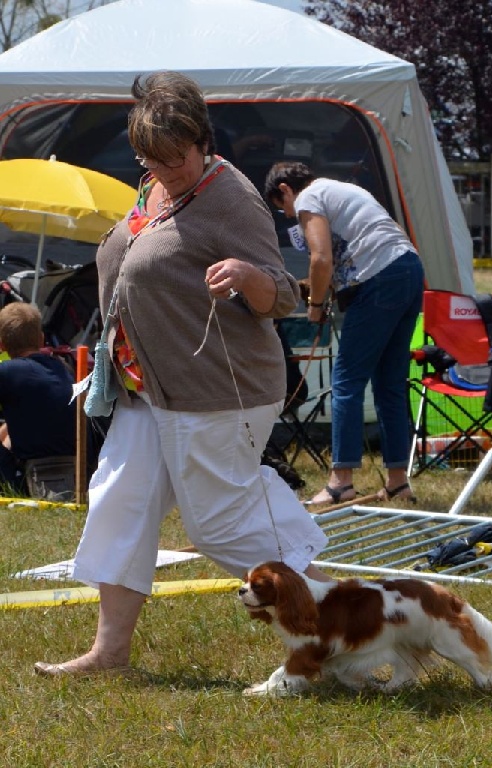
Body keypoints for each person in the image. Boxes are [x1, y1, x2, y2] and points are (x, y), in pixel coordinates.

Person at [34, 71, 330, 677]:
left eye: (176, 158)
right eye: (151, 159)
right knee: (118, 503)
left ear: (203, 141)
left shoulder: (233, 197)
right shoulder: (152, 190)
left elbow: (282, 294)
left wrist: (247, 277)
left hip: (217, 389)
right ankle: (109, 654)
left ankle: (339, 619)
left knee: (219, 524)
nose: (165, 170)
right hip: (147, 388)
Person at [264, 161, 424, 506]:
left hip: (380, 279)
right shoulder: (348, 190)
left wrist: (316, 306)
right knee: (390, 384)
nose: (292, 217)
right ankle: (398, 482)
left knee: (347, 381)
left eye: (285, 210)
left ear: (285, 190)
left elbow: (321, 259)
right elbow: (386, 233)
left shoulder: (309, 198)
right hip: (408, 269)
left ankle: (341, 482)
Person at [0, 303, 80, 494]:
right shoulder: (62, 368)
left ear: (2, 345)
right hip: (74, 468)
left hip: (27, 474)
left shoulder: (6, 372)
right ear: (41, 338)